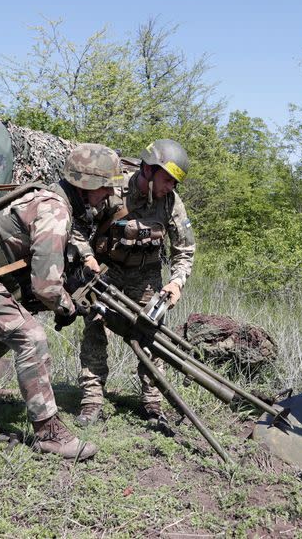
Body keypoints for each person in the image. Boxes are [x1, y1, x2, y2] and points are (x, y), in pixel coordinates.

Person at [0, 143, 123, 460]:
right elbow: (47, 288)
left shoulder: (55, 199)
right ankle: (49, 433)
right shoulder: (56, 211)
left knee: (0, 339)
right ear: (87, 184)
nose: (108, 195)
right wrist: (69, 307)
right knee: (30, 337)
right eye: (105, 187)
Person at [71, 139, 196, 428]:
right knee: (95, 328)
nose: (171, 187)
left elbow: (185, 250)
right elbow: (75, 226)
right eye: (168, 179)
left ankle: (153, 402)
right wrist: (87, 256)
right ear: (149, 170)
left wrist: (176, 283)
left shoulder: (171, 203)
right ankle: (91, 400)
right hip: (107, 271)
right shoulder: (112, 189)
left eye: (176, 183)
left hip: (148, 276)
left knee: (151, 336)